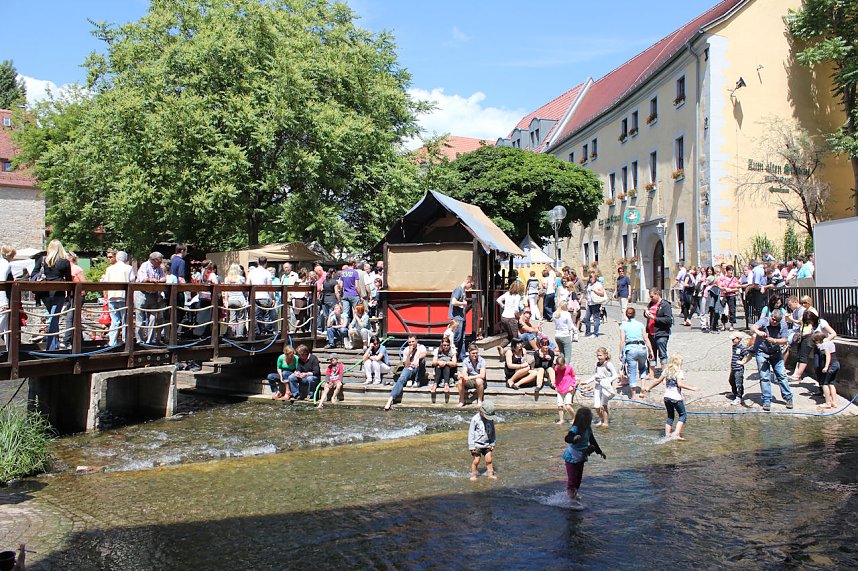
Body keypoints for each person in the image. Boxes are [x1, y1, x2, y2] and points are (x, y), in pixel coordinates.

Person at [643, 353, 700, 440]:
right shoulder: (679, 372)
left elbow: (658, 381)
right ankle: (676, 434)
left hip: (667, 397)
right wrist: (693, 388)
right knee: (683, 415)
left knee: (670, 416)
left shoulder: (666, 370)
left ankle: (667, 435)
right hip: (676, 398)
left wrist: (648, 387)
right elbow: (680, 384)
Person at [750, 309, 793, 411]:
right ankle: (766, 400)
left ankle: (788, 397)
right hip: (762, 352)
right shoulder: (764, 321)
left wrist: (774, 340)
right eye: (773, 319)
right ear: (771, 316)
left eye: (777, 321)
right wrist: (758, 332)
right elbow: (753, 327)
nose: (774, 322)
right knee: (764, 377)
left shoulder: (783, 325)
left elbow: (785, 340)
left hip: (776, 353)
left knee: (781, 375)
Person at [562, 407, 605, 508]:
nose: (589, 422)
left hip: (581, 456)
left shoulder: (588, 429)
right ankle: (571, 499)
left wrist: (600, 452)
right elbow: (567, 438)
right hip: (571, 457)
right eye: (588, 420)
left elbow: (593, 441)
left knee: (578, 479)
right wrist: (574, 439)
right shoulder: (575, 429)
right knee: (572, 479)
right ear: (583, 420)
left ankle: (574, 494)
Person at [38, 240, 73, 351]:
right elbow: (69, 280)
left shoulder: (43, 260)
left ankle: (54, 343)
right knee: (54, 318)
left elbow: (34, 273)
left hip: (45, 293)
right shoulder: (64, 262)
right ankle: (51, 346)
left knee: (53, 317)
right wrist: (69, 293)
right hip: (58, 292)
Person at [384, 335, 427, 411]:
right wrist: (408, 354)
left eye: (413, 341)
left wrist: (417, 359)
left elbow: (424, 354)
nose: (411, 343)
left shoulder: (421, 347)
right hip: (409, 368)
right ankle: (390, 399)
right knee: (401, 379)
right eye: (409, 342)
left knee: (422, 361)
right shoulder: (406, 350)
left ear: (416, 341)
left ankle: (417, 380)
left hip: (418, 369)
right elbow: (406, 365)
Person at [618, 307, 653, 400]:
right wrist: (651, 350)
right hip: (642, 348)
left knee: (632, 371)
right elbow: (646, 338)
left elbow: (622, 341)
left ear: (626, 315)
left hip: (631, 349)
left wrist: (620, 353)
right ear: (634, 314)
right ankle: (642, 390)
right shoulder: (640, 325)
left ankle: (633, 395)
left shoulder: (623, 326)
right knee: (643, 368)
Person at [586, 347, 618, 427]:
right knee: (596, 406)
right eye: (598, 356)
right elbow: (596, 375)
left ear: (605, 355)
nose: (599, 357)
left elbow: (615, 375)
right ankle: (601, 418)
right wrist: (587, 381)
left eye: (600, 355)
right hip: (597, 386)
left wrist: (608, 380)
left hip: (606, 387)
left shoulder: (609, 364)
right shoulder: (597, 364)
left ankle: (605, 423)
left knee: (603, 405)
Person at [644, 288, 673, 372]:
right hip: (651, 333)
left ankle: (664, 374)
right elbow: (648, 316)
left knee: (662, 354)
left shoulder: (665, 305)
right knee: (651, 353)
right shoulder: (651, 304)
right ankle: (651, 374)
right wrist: (646, 313)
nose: (651, 298)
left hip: (661, 333)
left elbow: (668, 320)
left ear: (657, 294)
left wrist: (655, 318)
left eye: (652, 296)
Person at [468, 399, 497, 481]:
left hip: (487, 443)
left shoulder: (490, 419)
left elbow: (493, 431)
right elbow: (471, 433)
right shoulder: (475, 419)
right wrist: (471, 445)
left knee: (489, 460)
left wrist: (493, 443)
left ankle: (490, 474)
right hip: (476, 444)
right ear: (480, 411)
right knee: (476, 461)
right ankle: (474, 475)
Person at [812, 331, 840, 410]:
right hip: (836, 364)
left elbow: (828, 356)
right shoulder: (830, 342)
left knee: (825, 384)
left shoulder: (824, 345)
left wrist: (826, 367)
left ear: (818, 340)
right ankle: (834, 402)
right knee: (831, 383)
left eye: (815, 341)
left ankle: (827, 403)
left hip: (831, 366)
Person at [449, 275, 474, 360]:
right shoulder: (458, 289)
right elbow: (453, 302)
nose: (470, 287)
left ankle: (462, 356)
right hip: (457, 317)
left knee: (462, 338)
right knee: (457, 337)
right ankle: (451, 354)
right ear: (468, 282)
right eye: (471, 285)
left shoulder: (463, 291)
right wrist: (463, 303)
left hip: (461, 316)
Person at [496, 281, 524, 355]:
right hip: (511, 318)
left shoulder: (507, 294)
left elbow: (498, 300)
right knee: (515, 338)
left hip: (504, 317)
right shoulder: (517, 296)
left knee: (510, 335)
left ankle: (501, 346)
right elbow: (516, 310)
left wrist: (503, 305)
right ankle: (513, 353)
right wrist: (519, 317)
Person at [221, 263, 248, 338]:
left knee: (231, 319)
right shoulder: (241, 278)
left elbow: (226, 291)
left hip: (231, 300)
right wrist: (247, 296)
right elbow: (245, 291)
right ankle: (240, 335)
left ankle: (230, 335)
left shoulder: (227, 279)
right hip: (240, 300)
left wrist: (226, 300)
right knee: (241, 319)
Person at [457, 343, 486, 408]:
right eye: (473, 353)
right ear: (469, 353)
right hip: (470, 381)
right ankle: (461, 401)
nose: (475, 355)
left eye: (476, 353)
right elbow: (464, 371)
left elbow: (482, 375)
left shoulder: (482, 361)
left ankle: (480, 400)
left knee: (479, 380)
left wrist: (470, 377)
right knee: (460, 381)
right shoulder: (466, 361)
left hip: (479, 380)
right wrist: (463, 376)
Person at [728, 332, 752, 406]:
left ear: (739, 339)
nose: (732, 340)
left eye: (733, 339)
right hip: (734, 367)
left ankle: (739, 397)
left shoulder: (741, 348)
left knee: (738, 383)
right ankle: (734, 393)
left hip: (738, 368)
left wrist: (743, 362)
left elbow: (749, 355)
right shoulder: (734, 346)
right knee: (731, 381)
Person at [554, 355, 577, 424]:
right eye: (559, 366)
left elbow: (573, 377)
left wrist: (572, 385)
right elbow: (555, 376)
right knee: (560, 406)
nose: (560, 368)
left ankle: (575, 418)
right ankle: (561, 420)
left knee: (568, 406)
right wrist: (555, 384)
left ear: (564, 364)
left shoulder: (569, 368)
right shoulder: (556, 368)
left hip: (568, 389)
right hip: (560, 388)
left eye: (561, 366)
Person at [0, 244, 15, 352]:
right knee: (2, 325)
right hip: (3, 299)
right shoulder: (6, 264)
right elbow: (2, 282)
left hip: (3, 298)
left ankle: (9, 350)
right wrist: (4, 302)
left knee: (6, 327)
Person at [584, 271, 606, 337]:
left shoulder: (598, 284)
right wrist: (586, 303)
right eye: (590, 277)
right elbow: (587, 294)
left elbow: (602, 293)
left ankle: (595, 333)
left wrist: (595, 290)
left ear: (595, 277)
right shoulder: (589, 284)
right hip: (590, 303)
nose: (591, 279)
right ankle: (588, 332)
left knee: (596, 318)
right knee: (587, 318)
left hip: (596, 303)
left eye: (592, 277)